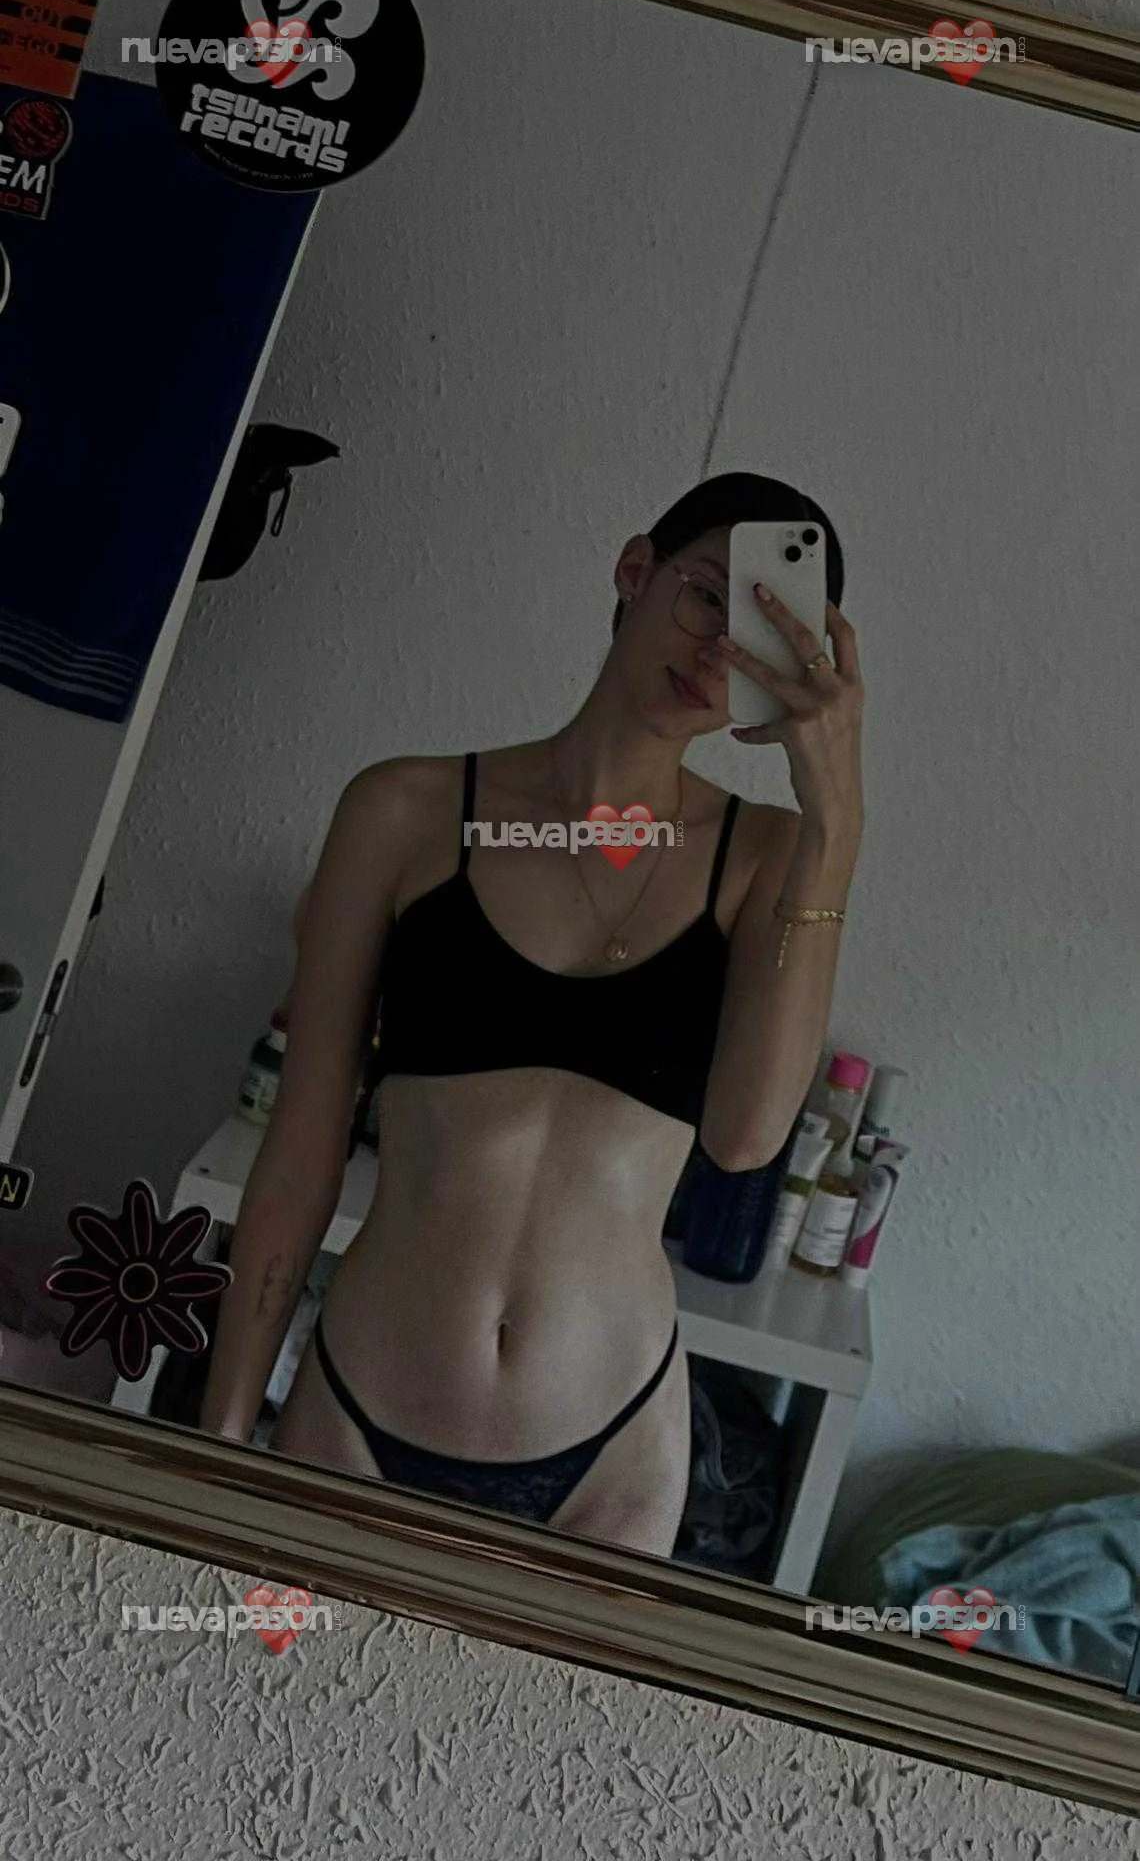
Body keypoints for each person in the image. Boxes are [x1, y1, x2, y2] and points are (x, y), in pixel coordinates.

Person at [198, 471, 865, 1556]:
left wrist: (837, 817)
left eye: (759, 638)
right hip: (358, 1411)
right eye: (707, 596)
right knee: (271, 1665)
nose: (716, 654)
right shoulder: (403, 810)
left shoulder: (770, 857)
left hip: (610, 1459)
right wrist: (223, 1434)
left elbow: (746, 1137)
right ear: (636, 570)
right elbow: (301, 1144)